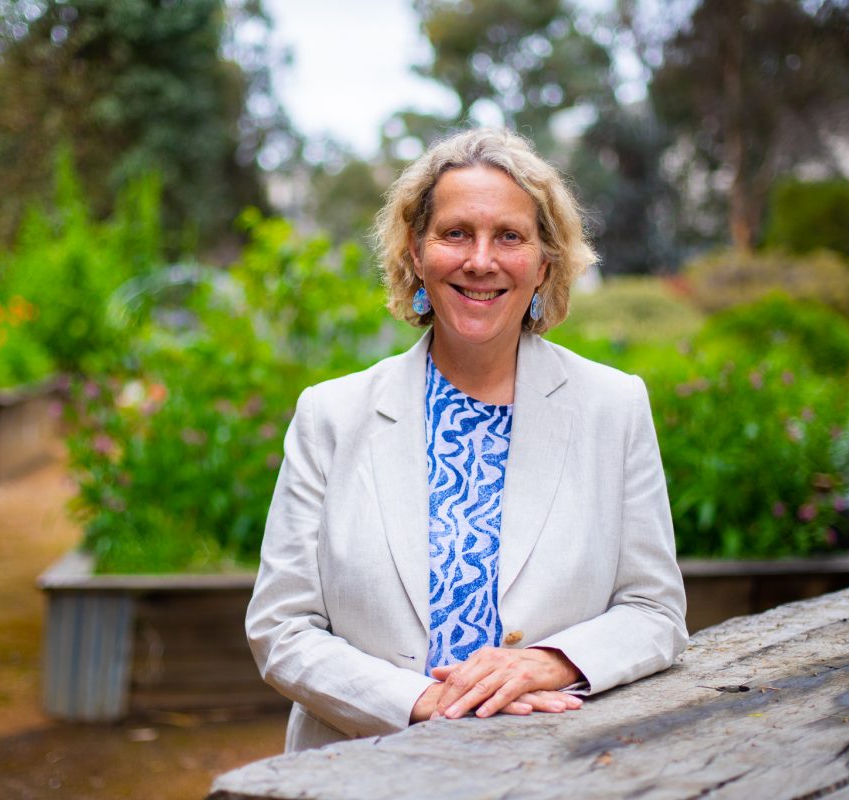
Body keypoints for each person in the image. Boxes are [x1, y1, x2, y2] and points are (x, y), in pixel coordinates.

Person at [246, 128, 687, 752]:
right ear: (414, 254)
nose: (481, 260)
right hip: (360, 775)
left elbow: (655, 611)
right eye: (455, 233)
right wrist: (424, 703)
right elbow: (281, 628)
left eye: (510, 236)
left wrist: (553, 662)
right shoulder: (331, 416)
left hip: (553, 774)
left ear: (545, 263)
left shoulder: (613, 408)